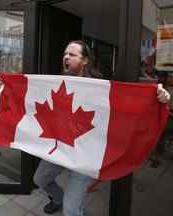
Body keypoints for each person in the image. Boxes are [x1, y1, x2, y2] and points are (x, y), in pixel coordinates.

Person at [33, 40, 171, 216]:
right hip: (60, 147)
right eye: (65, 54)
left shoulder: (100, 87)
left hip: (86, 155)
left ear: (85, 60)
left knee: (71, 209)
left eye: (72, 54)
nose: (66, 57)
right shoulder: (57, 82)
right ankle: (57, 198)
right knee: (39, 179)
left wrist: (158, 95)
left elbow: (128, 104)